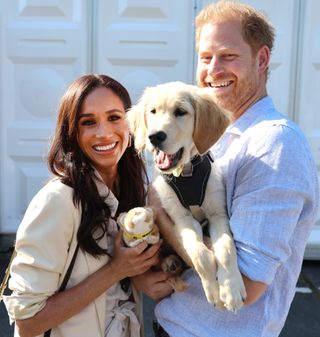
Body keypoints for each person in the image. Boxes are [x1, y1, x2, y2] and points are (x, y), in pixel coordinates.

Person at [134, 1, 320, 337]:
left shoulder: (275, 145)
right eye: (205, 58)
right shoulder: (208, 132)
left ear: (261, 60)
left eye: (228, 56)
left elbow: (247, 281)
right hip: (174, 322)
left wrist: (162, 212)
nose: (213, 70)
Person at [3, 74, 162, 337]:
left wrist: (137, 275)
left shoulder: (134, 194)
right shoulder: (58, 201)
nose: (103, 133)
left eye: (114, 118)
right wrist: (116, 270)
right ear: (72, 133)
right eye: (88, 122)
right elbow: (27, 323)